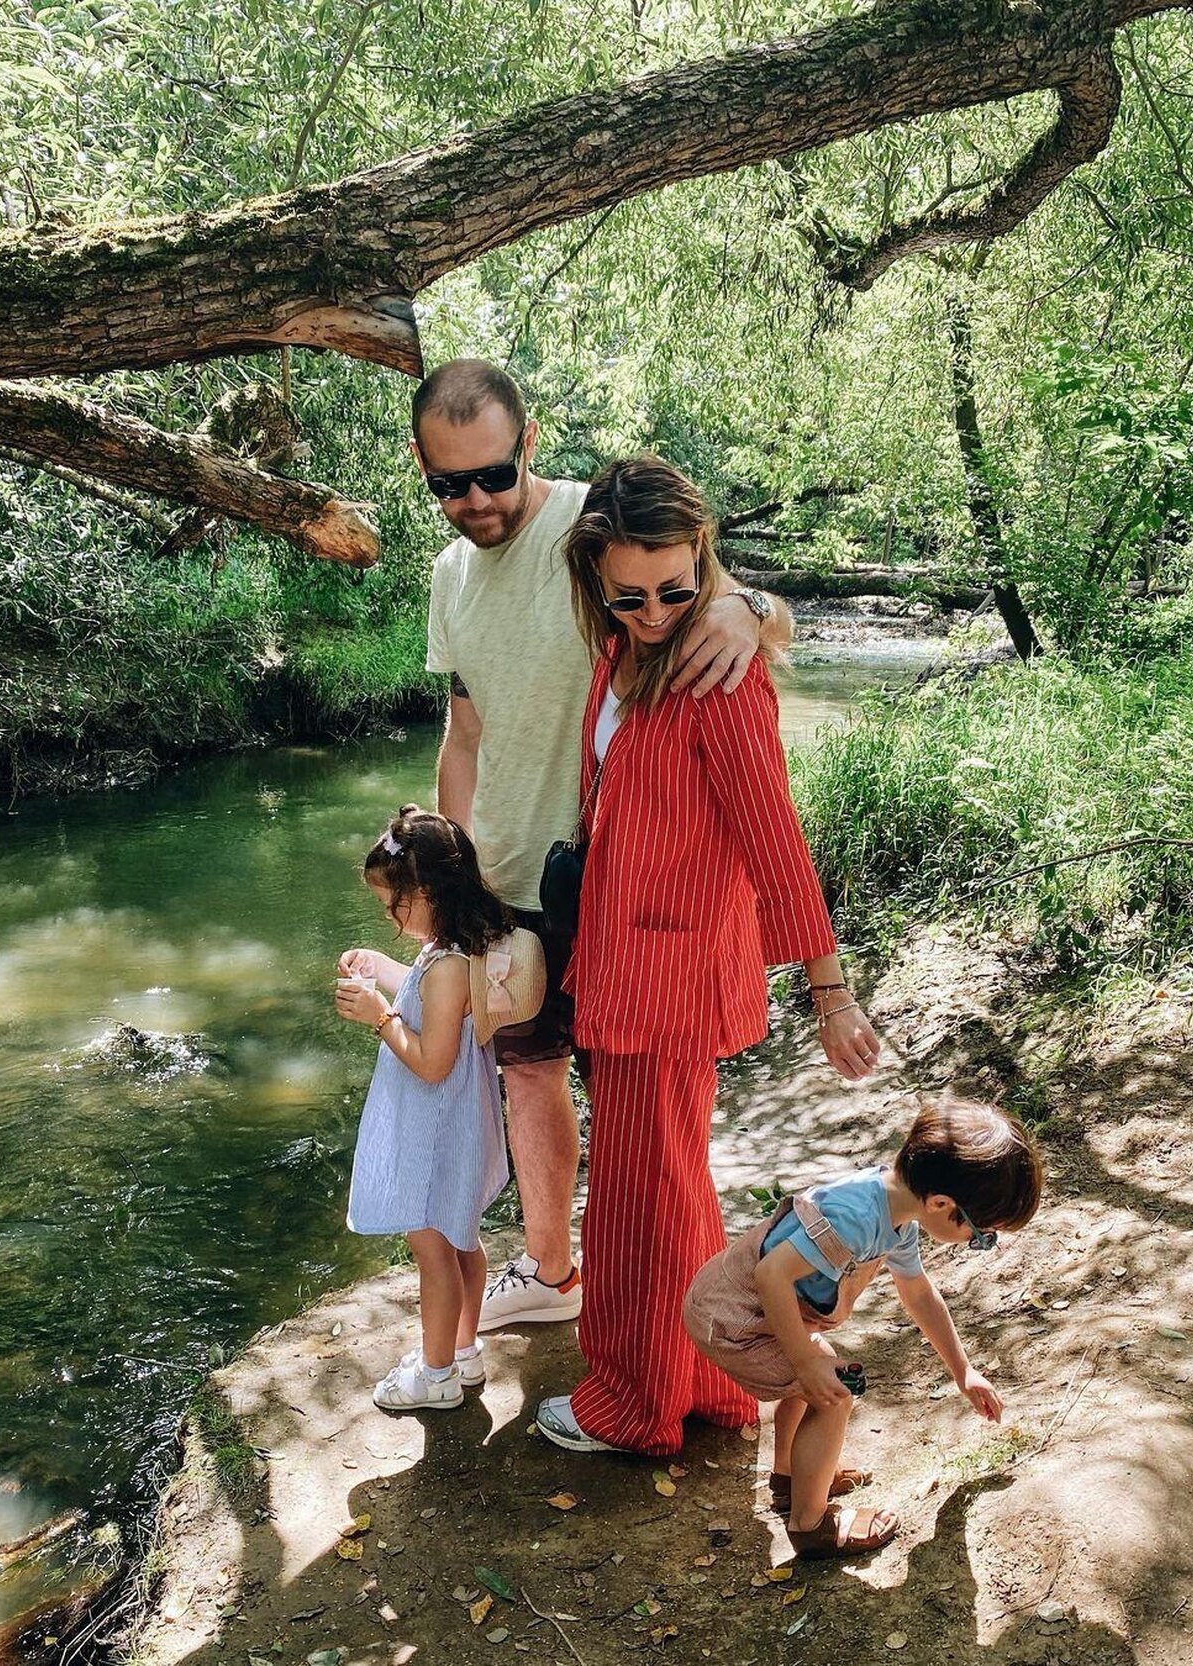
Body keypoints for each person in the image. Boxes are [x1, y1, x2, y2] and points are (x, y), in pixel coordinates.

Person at [417, 359, 788, 1330]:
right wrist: (447, 877)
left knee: (640, 1101)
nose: (477, 501)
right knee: (527, 1072)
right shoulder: (449, 575)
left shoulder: (593, 526)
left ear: (528, 442)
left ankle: (672, 1302)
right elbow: (464, 730)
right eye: (448, 484)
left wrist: (746, 610)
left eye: (493, 474)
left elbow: (735, 601)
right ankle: (552, 1271)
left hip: (616, 881)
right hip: (501, 881)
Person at [532, 455, 881, 1457]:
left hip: (667, 982)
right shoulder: (620, 650)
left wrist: (831, 990)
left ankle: (632, 1404)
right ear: (597, 580)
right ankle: (708, 1384)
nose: (655, 610)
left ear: (705, 561)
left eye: (678, 589)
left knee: (642, 1196)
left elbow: (775, 837)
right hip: (620, 960)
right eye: (629, 592)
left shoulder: (724, 680)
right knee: (671, 1182)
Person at [683, 1096, 1043, 1558]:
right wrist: (804, 1360)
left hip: (744, 1310)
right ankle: (811, 1525)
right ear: (941, 1203)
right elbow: (770, 1275)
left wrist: (963, 1371)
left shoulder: (898, 1213)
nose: (978, 1242)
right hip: (734, 1321)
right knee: (832, 1394)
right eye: (983, 1234)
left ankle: (792, 1478)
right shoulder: (855, 1218)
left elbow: (918, 1294)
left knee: (815, 1379)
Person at [336, 805, 514, 1413]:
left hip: (434, 1129)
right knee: (462, 1239)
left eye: (395, 906)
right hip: (457, 1125)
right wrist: (381, 971)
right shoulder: (453, 950)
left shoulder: (445, 967)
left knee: (433, 1252)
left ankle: (434, 1374)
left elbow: (433, 1061)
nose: (390, 918)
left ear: (429, 893)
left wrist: (379, 1017)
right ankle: (462, 1352)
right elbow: (427, 989)